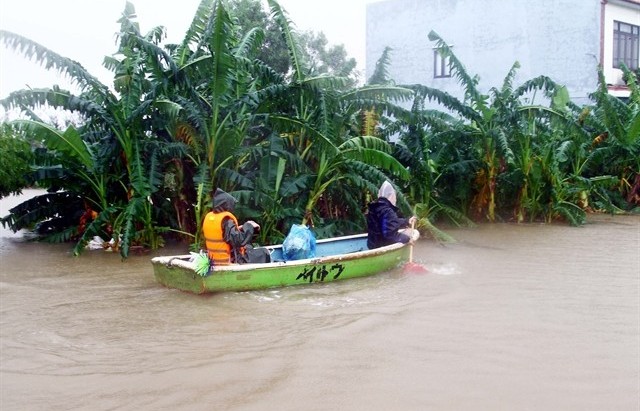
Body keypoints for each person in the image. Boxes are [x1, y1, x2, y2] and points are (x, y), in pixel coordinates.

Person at [202, 188, 270, 265]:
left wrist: (240, 228)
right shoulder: (226, 220)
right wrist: (249, 226)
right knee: (264, 253)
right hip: (231, 261)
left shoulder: (210, 217)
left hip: (214, 260)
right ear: (226, 205)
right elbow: (239, 240)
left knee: (248, 247)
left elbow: (224, 234)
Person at [366, 181, 417, 249]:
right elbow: (389, 234)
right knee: (408, 232)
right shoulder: (388, 211)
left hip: (372, 245)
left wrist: (407, 221)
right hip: (381, 246)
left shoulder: (375, 207)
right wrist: (407, 239)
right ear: (390, 196)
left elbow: (388, 222)